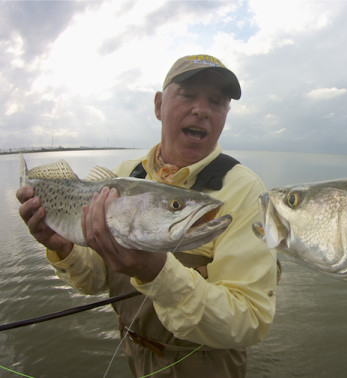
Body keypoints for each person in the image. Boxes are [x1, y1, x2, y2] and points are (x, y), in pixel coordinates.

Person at [16, 54, 278, 377]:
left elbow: (250, 320)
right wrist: (64, 247)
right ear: (158, 105)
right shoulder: (125, 176)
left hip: (205, 365)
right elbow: (97, 278)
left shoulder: (245, 191)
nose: (202, 110)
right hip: (134, 353)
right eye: (188, 95)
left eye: (217, 101)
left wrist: (157, 272)